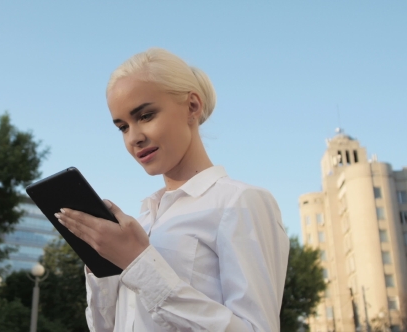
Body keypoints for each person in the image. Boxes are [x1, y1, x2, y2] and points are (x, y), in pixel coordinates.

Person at [54, 48, 289, 331]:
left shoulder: (240, 202)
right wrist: (99, 265)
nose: (134, 138)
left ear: (192, 106)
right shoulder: (142, 222)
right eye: (122, 127)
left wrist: (138, 262)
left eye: (146, 115)